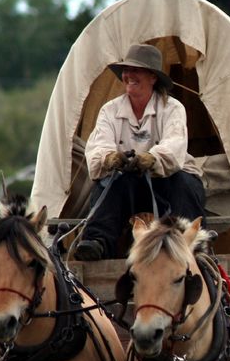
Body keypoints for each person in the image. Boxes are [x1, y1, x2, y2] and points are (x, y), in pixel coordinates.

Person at [75, 43, 206, 260]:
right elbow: (99, 145)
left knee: (182, 182)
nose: (129, 75)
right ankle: (97, 242)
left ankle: (192, 244)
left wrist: (152, 158)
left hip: (167, 183)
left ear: (152, 77)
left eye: (136, 70)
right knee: (110, 184)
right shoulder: (110, 110)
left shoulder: (172, 108)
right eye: (126, 70)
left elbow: (174, 145)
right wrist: (109, 158)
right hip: (130, 185)